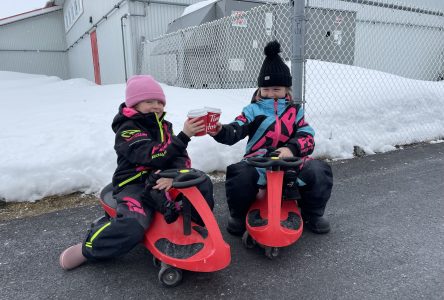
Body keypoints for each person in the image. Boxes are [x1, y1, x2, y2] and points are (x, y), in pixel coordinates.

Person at [59, 75, 214, 270]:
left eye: (159, 102)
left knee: (200, 182)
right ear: (134, 104)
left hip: (162, 179)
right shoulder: (128, 129)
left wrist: (175, 174)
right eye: (149, 101)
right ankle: (89, 248)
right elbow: (149, 156)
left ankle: (196, 226)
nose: (156, 106)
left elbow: (179, 155)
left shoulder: (165, 127)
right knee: (132, 226)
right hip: (135, 184)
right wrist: (184, 136)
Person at [209, 40, 333, 236]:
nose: (270, 93)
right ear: (259, 90)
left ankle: (313, 213)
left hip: (290, 164)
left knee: (319, 170)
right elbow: (237, 128)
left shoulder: (295, 112)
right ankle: (239, 215)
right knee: (238, 174)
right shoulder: (252, 111)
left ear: (286, 91)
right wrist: (220, 130)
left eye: (276, 89)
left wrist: (290, 149)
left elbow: (307, 136)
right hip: (258, 163)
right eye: (266, 89)